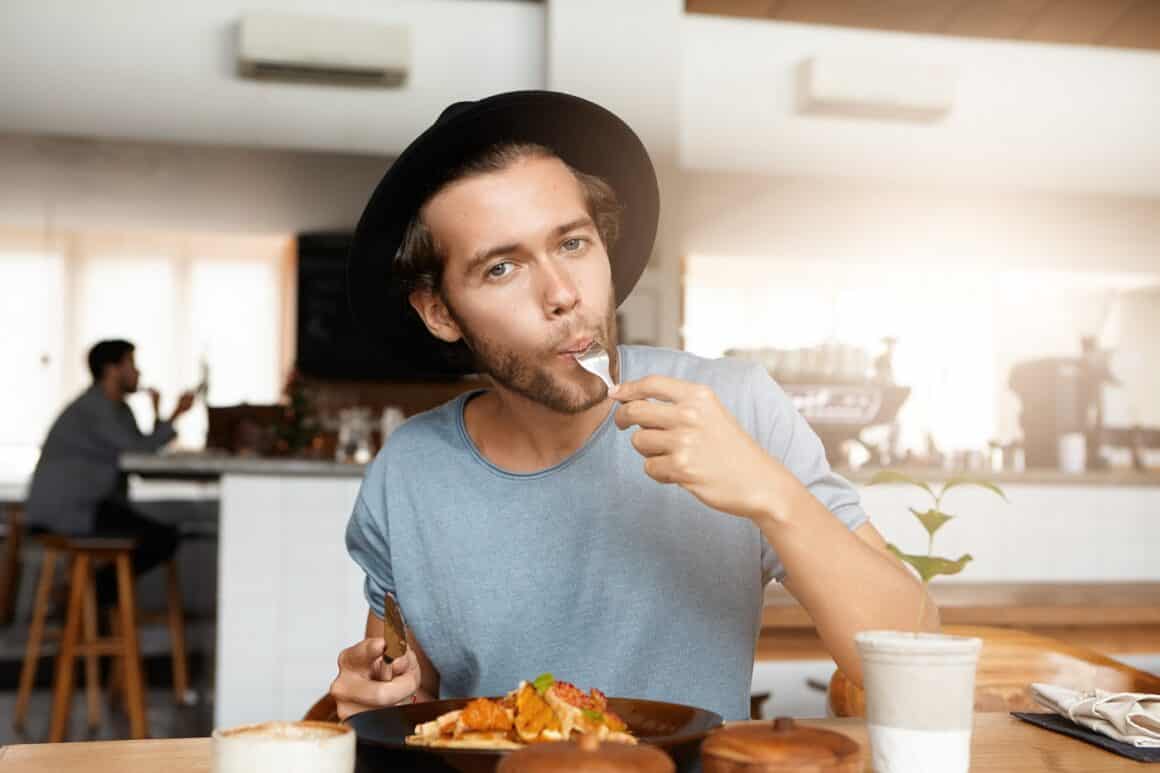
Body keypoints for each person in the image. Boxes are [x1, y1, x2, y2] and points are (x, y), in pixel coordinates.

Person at [330, 92, 938, 722]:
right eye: (503, 268)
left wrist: (770, 493)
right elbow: (416, 695)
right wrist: (380, 695)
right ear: (439, 312)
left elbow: (912, 657)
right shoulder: (409, 471)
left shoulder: (737, 406)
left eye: (571, 244)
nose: (563, 294)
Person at [26, 339, 195, 609]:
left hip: (93, 505)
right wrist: (176, 414)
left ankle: (86, 601)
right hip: (70, 509)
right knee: (162, 538)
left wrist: (158, 413)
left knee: (160, 536)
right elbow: (139, 451)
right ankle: (84, 598)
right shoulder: (95, 408)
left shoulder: (119, 409)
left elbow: (141, 452)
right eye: (132, 364)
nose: (138, 372)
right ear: (112, 369)